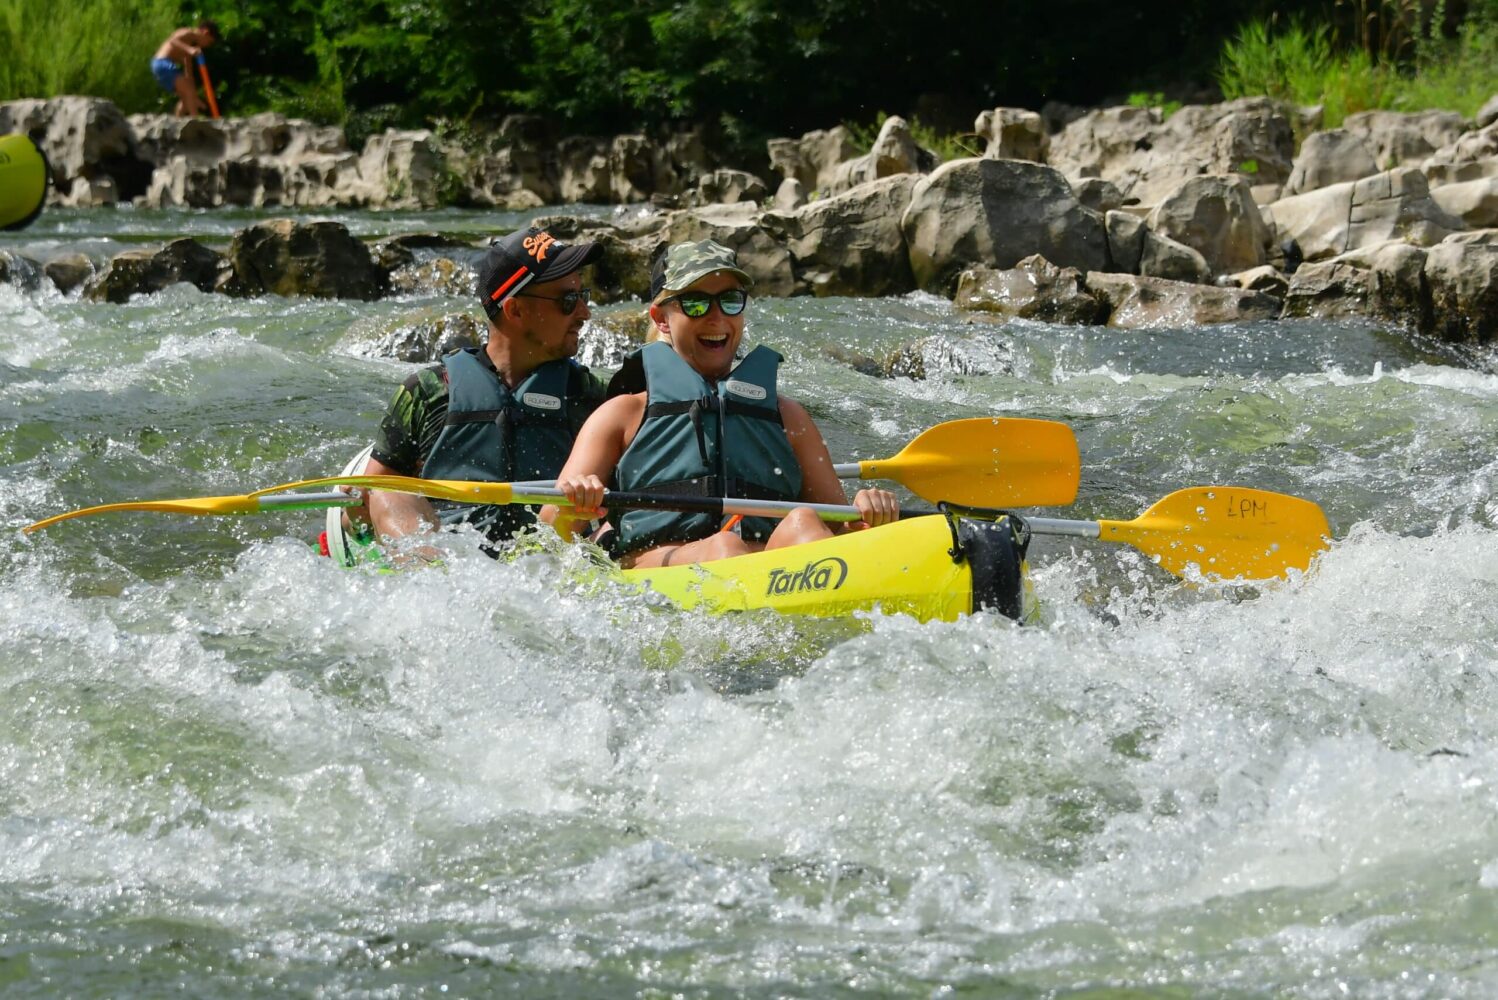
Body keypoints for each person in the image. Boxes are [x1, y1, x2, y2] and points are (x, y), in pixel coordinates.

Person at [542, 239, 899, 568]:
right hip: (659, 564)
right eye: (695, 303)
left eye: (730, 301)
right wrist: (575, 501)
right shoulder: (620, 415)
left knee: (804, 521)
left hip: (767, 567)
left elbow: (841, 527)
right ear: (661, 318)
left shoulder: (789, 417)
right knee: (723, 547)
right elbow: (549, 531)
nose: (716, 317)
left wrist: (868, 512)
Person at [354, 226, 608, 551]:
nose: (584, 313)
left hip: (544, 563)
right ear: (515, 310)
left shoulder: (592, 398)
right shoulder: (429, 392)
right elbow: (367, 501)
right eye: (568, 300)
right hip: (452, 564)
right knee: (387, 489)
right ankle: (430, 578)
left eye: (582, 296)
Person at [151, 20, 220, 118]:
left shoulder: (190, 45)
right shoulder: (187, 32)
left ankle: (178, 121)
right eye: (209, 42)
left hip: (163, 67)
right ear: (205, 32)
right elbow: (172, 40)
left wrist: (194, 95)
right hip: (162, 63)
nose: (207, 45)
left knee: (185, 98)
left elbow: (189, 71)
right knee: (188, 91)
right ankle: (195, 120)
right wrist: (189, 50)